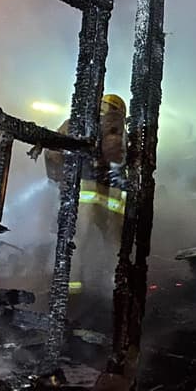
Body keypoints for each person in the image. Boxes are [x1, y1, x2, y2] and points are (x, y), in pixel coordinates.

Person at [42, 93, 128, 326]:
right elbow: (120, 159)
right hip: (111, 198)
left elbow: (52, 153)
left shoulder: (75, 121)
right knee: (115, 246)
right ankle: (115, 290)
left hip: (80, 191)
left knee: (74, 242)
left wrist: (60, 180)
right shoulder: (117, 125)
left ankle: (67, 293)